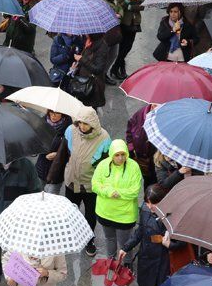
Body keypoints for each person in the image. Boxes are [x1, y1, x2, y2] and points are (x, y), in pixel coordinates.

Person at [50, 106, 111, 256]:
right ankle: (70, 236)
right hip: (71, 180)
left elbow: (105, 164)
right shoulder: (71, 131)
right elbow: (63, 153)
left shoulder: (104, 138)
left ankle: (89, 240)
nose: (82, 127)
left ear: (93, 123)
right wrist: (53, 174)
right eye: (80, 123)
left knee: (90, 214)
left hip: (91, 185)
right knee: (71, 211)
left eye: (86, 123)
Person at [118, 184, 190, 286]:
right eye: (147, 203)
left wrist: (169, 245)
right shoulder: (145, 210)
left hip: (162, 262)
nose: (150, 206)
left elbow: (182, 243)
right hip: (145, 257)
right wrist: (125, 248)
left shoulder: (173, 216)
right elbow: (140, 232)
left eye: (154, 203)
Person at [92, 139, 142, 258]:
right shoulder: (103, 165)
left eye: (123, 154)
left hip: (125, 216)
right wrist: (109, 192)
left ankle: (127, 264)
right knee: (110, 239)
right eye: (117, 155)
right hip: (105, 213)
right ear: (111, 155)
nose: (120, 158)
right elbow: (95, 185)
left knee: (126, 244)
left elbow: (134, 191)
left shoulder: (133, 167)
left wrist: (117, 193)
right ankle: (111, 262)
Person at [111, 0, 143, 79]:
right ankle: (118, 69)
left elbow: (142, 5)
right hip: (124, 22)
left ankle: (115, 68)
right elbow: (118, 7)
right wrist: (128, 0)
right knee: (122, 47)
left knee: (128, 47)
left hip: (134, 22)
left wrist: (132, 7)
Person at [73, 32, 112, 109]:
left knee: (90, 111)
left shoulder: (101, 48)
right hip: (84, 81)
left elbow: (98, 69)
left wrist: (81, 59)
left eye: (87, 32)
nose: (85, 33)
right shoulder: (89, 42)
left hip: (92, 85)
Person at [36, 110, 71, 194]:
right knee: (36, 195)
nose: (53, 116)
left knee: (52, 198)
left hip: (57, 171)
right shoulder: (41, 123)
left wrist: (58, 154)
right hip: (42, 167)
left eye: (57, 113)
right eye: (51, 112)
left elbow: (72, 150)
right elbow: (35, 142)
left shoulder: (69, 129)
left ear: (63, 114)